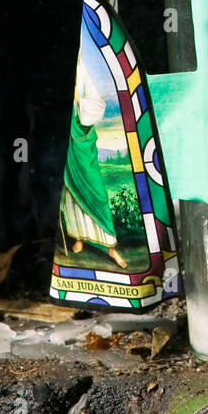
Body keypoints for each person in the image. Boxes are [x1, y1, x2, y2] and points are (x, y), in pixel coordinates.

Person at [60, 56, 127, 269]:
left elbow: (97, 103)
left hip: (81, 135)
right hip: (66, 139)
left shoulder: (83, 71)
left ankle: (110, 246)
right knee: (70, 192)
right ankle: (78, 237)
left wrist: (78, 100)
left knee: (97, 190)